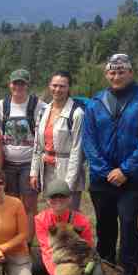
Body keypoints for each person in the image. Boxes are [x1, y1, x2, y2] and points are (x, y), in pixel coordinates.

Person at [83, 53, 138, 275]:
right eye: (112, 72)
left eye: (121, 72)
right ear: (106, 74)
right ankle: (105, 269)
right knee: (104, 225)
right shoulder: (96, 102)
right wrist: (106, 171)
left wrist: (125, 170)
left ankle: (129, 272)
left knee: (128, 223)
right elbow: (89, 141)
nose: (116, 76)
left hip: (134, 177)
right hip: (102, 178)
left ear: (130, 72)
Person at [0, 69, 46, 241]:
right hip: (7, 163)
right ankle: (13, 240)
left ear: (27, 85)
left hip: (29, 163)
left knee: (29, 205)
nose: (18, 87)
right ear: (10, 85)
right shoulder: (1, 106)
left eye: (22, 83)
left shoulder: (39, 105)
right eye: (15, 83)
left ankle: (27, 244)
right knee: (11, 204)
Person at [30, 72, 86, 211]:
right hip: (47, 170)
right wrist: (34, 172)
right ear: (49, 86)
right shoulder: (43, 111)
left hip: (67, 169)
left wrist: (69, 184)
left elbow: (77, 150)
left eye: (62, 86)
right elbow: (37, 145)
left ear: (69, 88)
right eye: (54, 85)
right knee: (52, 213)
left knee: (69, 214)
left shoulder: (77, 113)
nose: (57, 89)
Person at [34, 179, 94, 275]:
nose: (58, 200)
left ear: (70, 198)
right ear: (47, 200)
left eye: (62, 196)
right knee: (38, 268)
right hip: (54, 257)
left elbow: (88, 247)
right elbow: (47, 250)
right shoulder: (40, 219)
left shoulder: (82, 221)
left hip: (76, 259)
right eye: (53, 197)